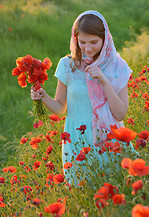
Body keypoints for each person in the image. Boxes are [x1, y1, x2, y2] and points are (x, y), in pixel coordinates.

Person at [31, 10, 135, 186]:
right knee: (84, 193)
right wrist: (43, 97)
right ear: (75, 39)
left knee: (114, 190)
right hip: (77, 141)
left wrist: (104, 80)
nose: (87, 48)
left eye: (94, 42)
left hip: (108, 140)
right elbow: (60, 108)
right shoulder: (67, 65)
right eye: (82, 42)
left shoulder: (117, 66)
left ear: (105, 38)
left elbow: (120, 114)